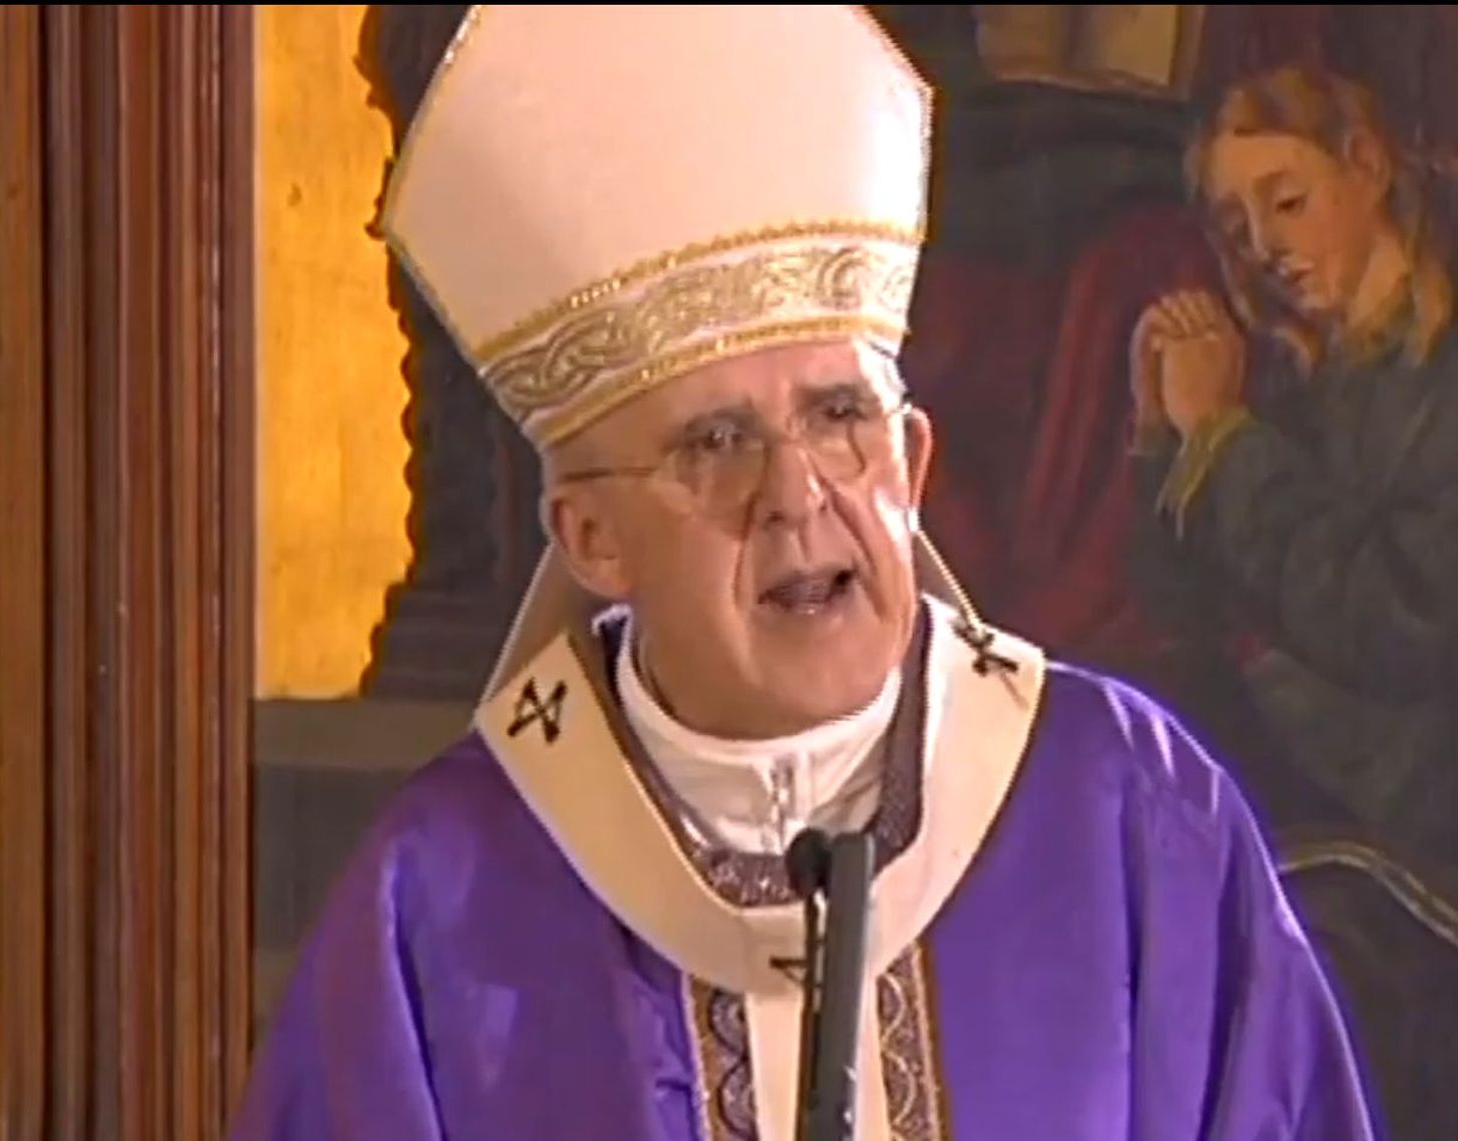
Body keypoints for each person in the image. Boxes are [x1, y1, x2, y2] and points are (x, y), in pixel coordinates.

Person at [230, 10, 1376, 1139]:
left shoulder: (1125, 813)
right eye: (714, 443)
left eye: (840, 419)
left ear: (913, 463)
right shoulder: (445, 900)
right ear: (590, 540)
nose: (796, 493)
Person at [1128, 64, 1458, 1141]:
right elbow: (1175, 609)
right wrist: (1160, 432)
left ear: (1367, 170)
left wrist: (1222, 443)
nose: (1262, 243)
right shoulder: (1303, 372)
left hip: (1418, 823)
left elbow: (1403, 618)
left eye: (1286, 198)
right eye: (1234, 219)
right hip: (1323, 788)